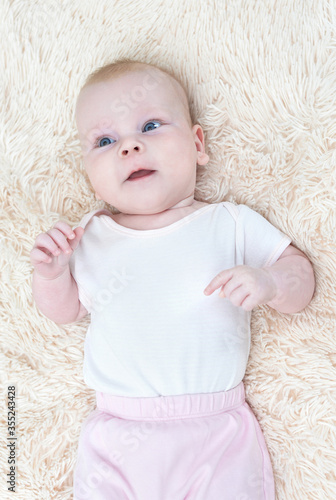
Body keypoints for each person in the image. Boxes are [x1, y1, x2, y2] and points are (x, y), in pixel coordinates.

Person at [30, 59, 315, 499]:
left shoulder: (229, 223)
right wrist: (51, 273)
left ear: (198, 144)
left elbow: (301, 277)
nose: (129, 147)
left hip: (215, 434)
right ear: (87, 168)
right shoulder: (90, 237)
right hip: (117, 436)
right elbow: (65, 312)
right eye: (105, 140)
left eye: (150, 126)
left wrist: (271, 282)